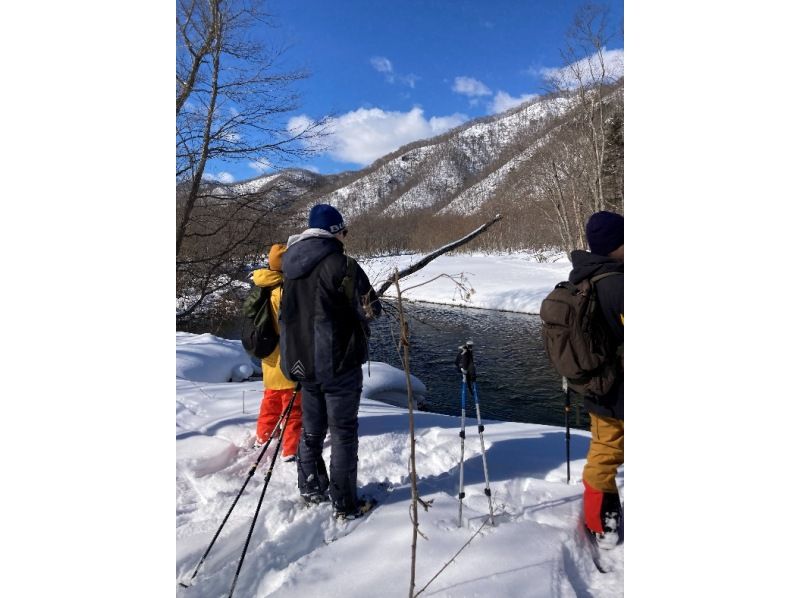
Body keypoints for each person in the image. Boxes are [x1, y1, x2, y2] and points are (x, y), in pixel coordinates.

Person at [279, 204, 382, 520]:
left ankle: (311, 487)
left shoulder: (289, 267)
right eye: (344, 232)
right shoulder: (344, 265)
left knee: (311, 431)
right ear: (335, 232)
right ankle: (345, 503)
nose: (345, 238)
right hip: (338, 363)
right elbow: (371, 310)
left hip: (302, 364)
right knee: (343, 433)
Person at [570, 210, 624, 548]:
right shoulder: (618, 285)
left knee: (604, 451)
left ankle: (601, 520)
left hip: (598, 387)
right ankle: (601, 524)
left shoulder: (586, 278)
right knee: (605, 456)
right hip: (617, 390)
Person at [251, 243, 303, 461]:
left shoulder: (263, 284)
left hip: (269, 356)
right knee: (293, 408)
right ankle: (290, 450)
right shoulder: (285, 289)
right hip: (288, 356)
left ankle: (263, 437)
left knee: (270, 401)